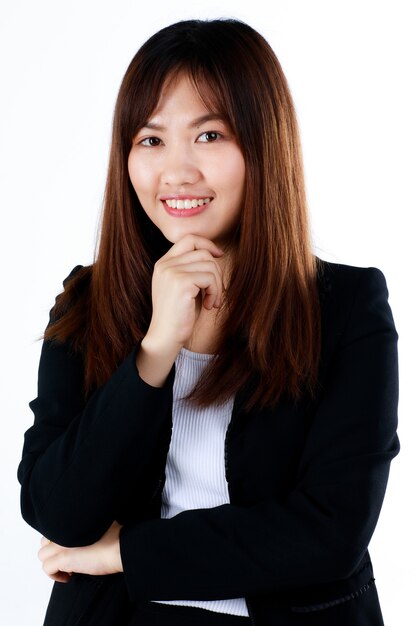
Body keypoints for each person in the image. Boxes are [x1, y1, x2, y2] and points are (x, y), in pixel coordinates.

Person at [18, 18, 399, 626]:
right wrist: (156, 348)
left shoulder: (346, 306)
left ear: (263, 144)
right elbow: (59, 512)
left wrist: (126, 551)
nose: (177, 171)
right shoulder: (88, 301)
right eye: (150, 140)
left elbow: (329, 533)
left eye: (210, 134)